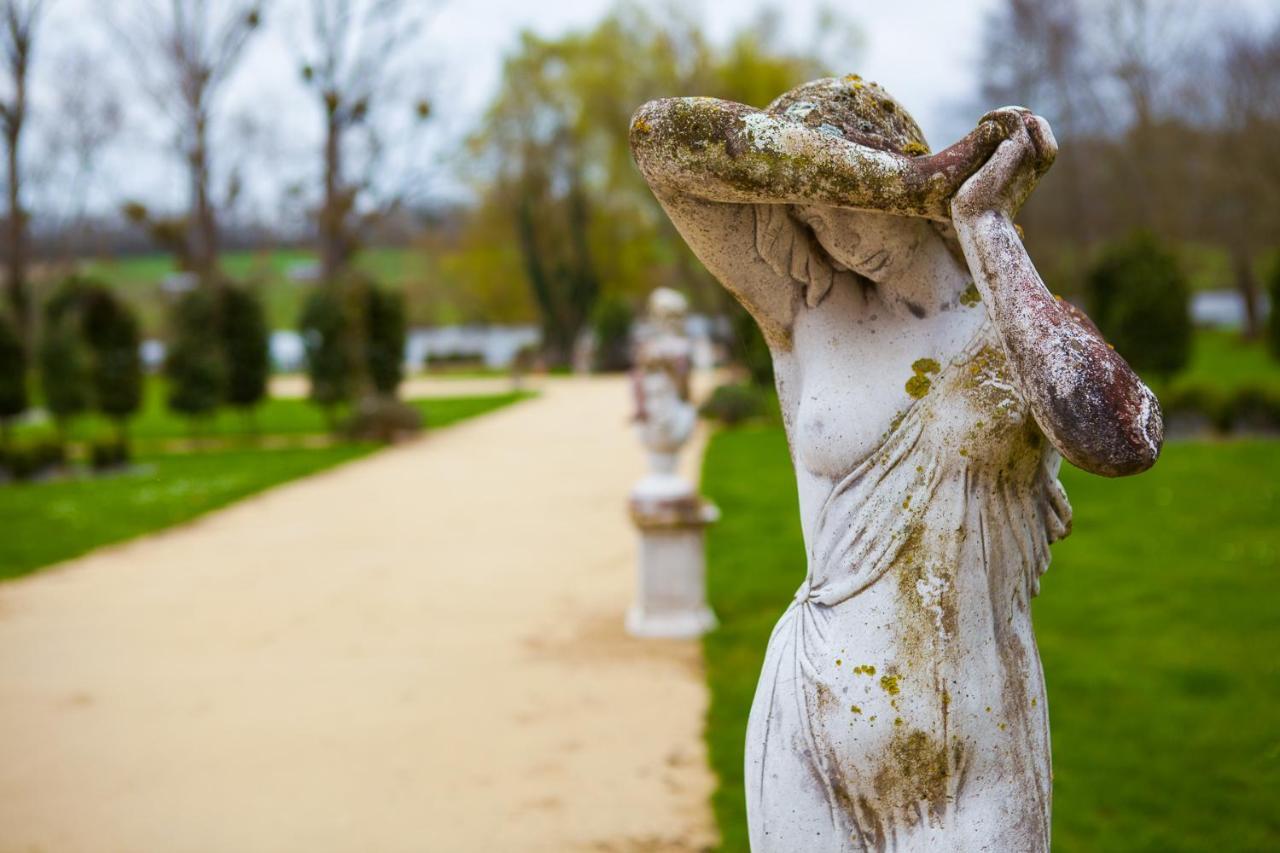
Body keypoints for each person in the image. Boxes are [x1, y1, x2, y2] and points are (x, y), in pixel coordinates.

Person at [629, 76, 1162, 852]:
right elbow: (662, 140)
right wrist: (910, 182)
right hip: (808, 723)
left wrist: (979, 220)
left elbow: (1123, 440)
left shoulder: (1010, 322)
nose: (837, 235)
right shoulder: (807, 309)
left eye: (843, 198)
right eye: (811, 212)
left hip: (977, 745)